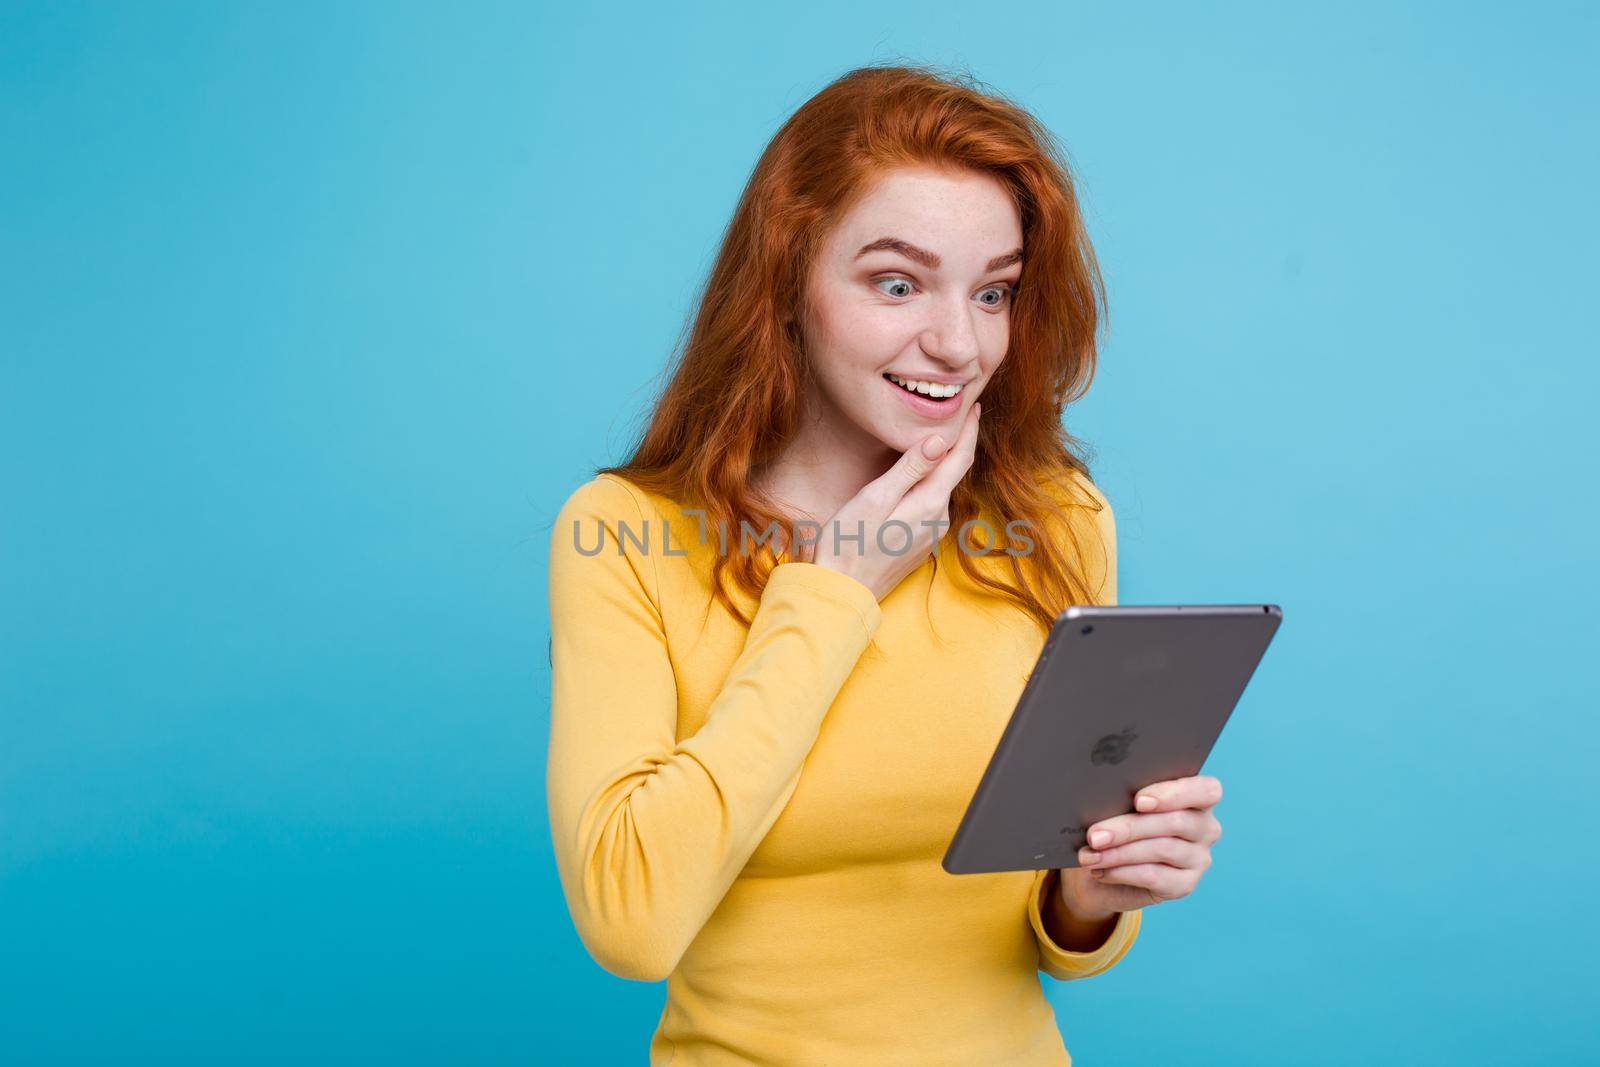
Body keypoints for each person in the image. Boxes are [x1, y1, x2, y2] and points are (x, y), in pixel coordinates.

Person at [546, 62, 1225, 1065]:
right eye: (895, 282)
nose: (955, 343)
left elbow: (1054, 938)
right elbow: (631, 922)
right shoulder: (623, 533)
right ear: (787, 284)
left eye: (992, 290)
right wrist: (832, 589)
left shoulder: (1057, 519)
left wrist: (1090, 895)